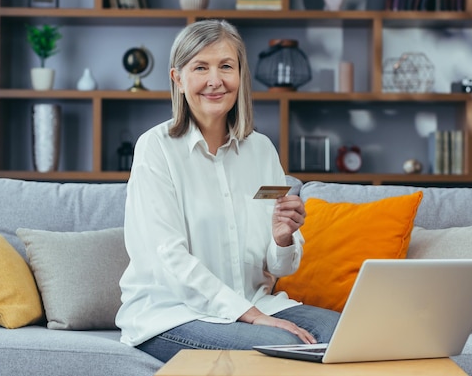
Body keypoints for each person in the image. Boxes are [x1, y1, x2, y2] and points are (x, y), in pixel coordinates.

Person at [116, 19, 340, 363]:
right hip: (173, 314)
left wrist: (281, 238)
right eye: (200, 67)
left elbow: (278, 266)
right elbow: (168, 259)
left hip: (259, 304)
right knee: (279, 348)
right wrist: (250, 315)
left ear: (241, 75)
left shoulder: (262, 150)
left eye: (226, 66)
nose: (215, 80)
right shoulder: (155, 149)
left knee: (347, 335)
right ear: (178, 78)